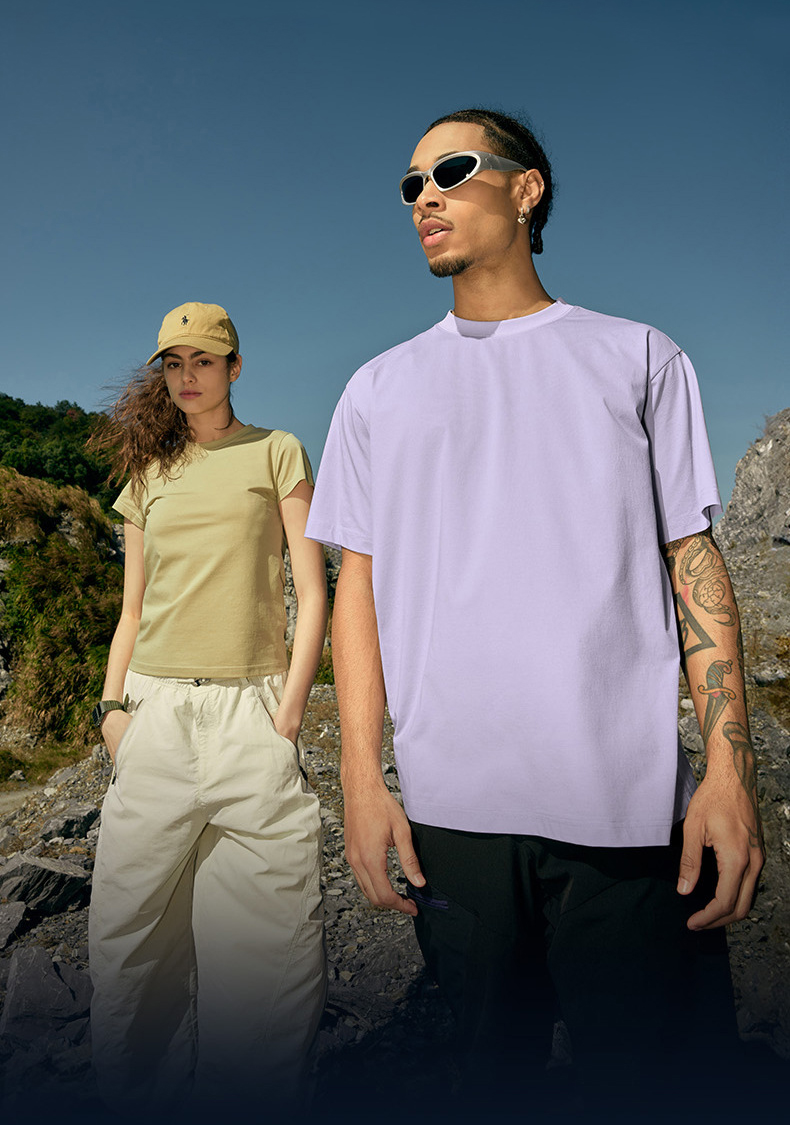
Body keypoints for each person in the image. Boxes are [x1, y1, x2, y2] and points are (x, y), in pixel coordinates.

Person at [305, 110, 764, 1116]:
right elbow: (356, 594)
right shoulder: (376, 390)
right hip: (452, 821)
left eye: (452, 170)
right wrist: (361, 782)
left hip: (627, 819)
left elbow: (691, 560)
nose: (424, 197)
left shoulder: (639, 357)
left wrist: (731, 774)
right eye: (411, 183)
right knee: (487, 1089)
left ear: (525, 189)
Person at [88, 302, 327, 1115]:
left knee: (268, 965)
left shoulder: (277, 451)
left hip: (251, 716)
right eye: (173, 363)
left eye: (203, 360)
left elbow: (313, 590)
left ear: (234, 367)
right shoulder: (147, 476)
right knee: (127, 952)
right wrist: (112, 711)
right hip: (152, 715)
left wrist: (288, 714)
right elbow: (132, 608)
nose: (187, 377)